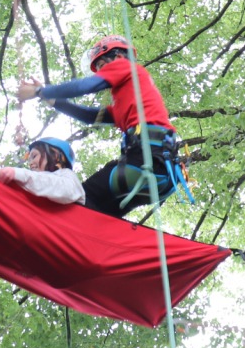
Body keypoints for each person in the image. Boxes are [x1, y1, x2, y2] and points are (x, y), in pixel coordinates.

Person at [17, 34, 186, 217]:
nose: (101, 73)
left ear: (118, 57)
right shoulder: (128, 102)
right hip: (164, 176)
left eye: (101, 65)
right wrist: (51, 100)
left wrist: (39, 91)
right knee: (99, 216)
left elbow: (84, 86)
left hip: (144, 161)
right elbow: (89, 116)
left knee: (79, 198)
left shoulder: (125, 66)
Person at [0, 136, 86, 206]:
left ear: (55, 155)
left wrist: (19, 174)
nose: (30, 163)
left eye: (34, 156)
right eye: (29, 160)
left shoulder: (67, 175)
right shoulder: (36, 188)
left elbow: (64, 189)